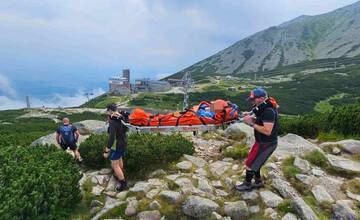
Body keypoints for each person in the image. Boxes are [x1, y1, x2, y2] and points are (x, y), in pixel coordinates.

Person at [236, 87, 279, 191]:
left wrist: (251, 123)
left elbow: (267, 131)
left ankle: (247, 184)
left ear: (261, 98)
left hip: (266, 143)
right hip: (262, 141)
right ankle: (258, 181)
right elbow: (262, 120)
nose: (252, 101)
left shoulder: (269, 111)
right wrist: (251, 117)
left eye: (253, 99)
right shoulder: (263, 107)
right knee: (256, 162)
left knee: (250, 164)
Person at [103, 103, 129, 192]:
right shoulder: (122, 117)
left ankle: (123, 183)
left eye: (107, 111)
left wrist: (107, 149)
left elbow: (111, 137)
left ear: (110, 110)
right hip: (124, 142)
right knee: (119, 159)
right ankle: (120, 174)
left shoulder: (114, 122)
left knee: (114, 164)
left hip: (117, 144)